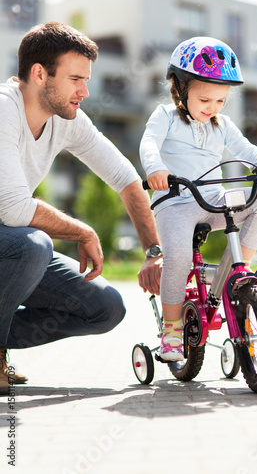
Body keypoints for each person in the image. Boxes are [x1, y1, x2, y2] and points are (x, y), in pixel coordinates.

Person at [0, 22, 162, 391]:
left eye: (86, 80)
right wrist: (82, 231)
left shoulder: (66, 120)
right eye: (76, 79)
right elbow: (12, 208)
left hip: (10, 246)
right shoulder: (3, 110)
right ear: (40, 74)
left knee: (105, 308)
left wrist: (155, 252)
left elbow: (127, 180)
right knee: (33, 244)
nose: (85, 92)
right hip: (14, 243)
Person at [140, 36, 257, 362]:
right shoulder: (164, 117)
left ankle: (234, 273)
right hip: (176, 201)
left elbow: (248, 152)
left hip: (215, 198)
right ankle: (171, 329)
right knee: (178, 259)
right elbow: (149, 145)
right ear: (180, 90)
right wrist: (155, 169)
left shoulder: (222, 125)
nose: (212, 108)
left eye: (221, 101)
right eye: (205, 99)